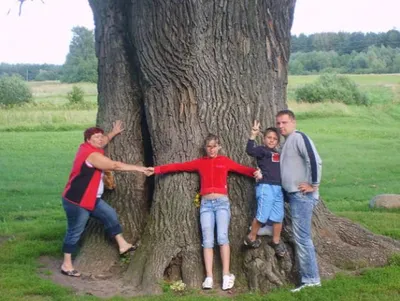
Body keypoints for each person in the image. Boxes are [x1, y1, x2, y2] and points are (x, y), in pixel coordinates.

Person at [151, 134, 258, 291]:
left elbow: (243, 170)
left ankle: (226, 275)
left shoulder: (224, 161)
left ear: (219, 147)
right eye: (209, 146)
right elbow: (179, 166)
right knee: (207, 240)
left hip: (222, 203)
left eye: (214, 146)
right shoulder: (200, 163)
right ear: (205, 148)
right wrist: (157, 169)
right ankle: (209, 277)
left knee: (222, 237)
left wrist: (259, 173)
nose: (212, 149)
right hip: (206, 204)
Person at [61, 121, 152, 277]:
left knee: (109, 214)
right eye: (96, 137)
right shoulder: (92, 154)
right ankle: (66, 264)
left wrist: (113, 132)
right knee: (75, 231)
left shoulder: (91, 147)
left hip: (90, 198)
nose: (100, 139)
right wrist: (140, 169)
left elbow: (104, 141)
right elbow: (114, 166)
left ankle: (122, 245)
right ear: (88, 140)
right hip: (77, 201)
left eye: (101, 136)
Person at [275, 110, 322, 292]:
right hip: (294, 196)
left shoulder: (299, 137)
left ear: (293, 122)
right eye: (278, 123)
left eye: (284, 122)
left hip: (302, 196)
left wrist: (313, 184)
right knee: (301, 237)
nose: (281, 126)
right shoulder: (287, 143)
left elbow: (314, 160)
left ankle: (311, 279)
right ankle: (310, 278)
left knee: (302, 238)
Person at [244, 121, 286, 257]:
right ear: (264, 139)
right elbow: (250, 150)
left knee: (278, 217)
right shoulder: (262, 150)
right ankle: (251, 237)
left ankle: (276, 241)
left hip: (278, 188)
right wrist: (253, 135)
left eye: (275, 139)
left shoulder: (278, 154)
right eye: (269, 138)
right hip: (266, 186)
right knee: (262, 216)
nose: (272, 140)